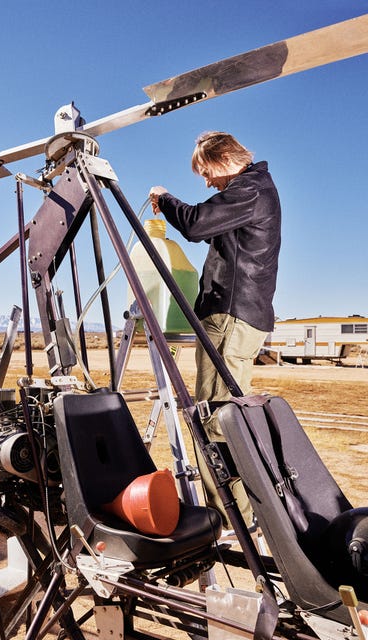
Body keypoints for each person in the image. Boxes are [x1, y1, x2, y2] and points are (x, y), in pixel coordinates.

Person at [149, 131, 281, 528]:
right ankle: (239, 511)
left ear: (225, 159)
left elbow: (196, 223)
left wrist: (164, 198)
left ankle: (234, 516)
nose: (207, 182)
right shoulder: (257, 189)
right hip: (238, 315)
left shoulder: (249, 190)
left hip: (230, 317)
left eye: (207, 172)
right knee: (225, 414)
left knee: (216, 418)